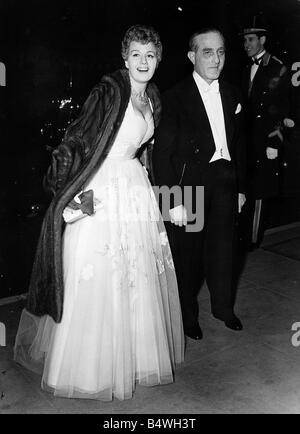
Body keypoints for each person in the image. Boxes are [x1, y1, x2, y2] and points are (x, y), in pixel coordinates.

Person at [14, 24, 184, 401]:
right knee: (98, 273)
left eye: (150, 55)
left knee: (136, 274)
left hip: (134, 188)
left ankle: (132, 359)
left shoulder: (153, 96)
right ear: (124, 58)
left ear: (158, 60)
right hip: (101, 187)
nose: (143, 61)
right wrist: (65, 191)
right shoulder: (109, 91)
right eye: (136, 54)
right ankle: (88, 369)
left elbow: (145, 151)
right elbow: (75, 139)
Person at [153, 27, 246, 341]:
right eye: (208, 52)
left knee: (224, 252)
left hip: (225, 181)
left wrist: (241, 189)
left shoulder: (232, 92)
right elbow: (161, 156)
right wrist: (171, 200)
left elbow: (240, 144)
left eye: (221, 52)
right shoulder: (174, 97)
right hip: (189, 186)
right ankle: (187, 317)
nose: (216, 59)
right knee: (188, 258)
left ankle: (223, 308)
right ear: (192, 56)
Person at [239, 18, 291, 250]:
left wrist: (275, 142)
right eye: (244, 41)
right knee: (246, 186)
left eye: (250, 40)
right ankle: (244, 235)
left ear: (262, 40)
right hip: (247, 139)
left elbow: (284, 109)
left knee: (260, 189)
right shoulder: (244, 68)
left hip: (265, 140)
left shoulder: (277, 67)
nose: (246, 44)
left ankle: (253, 238)